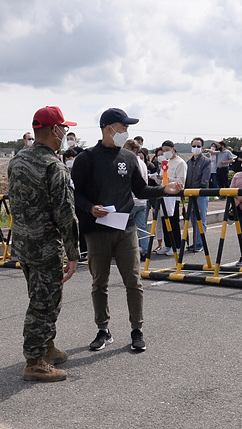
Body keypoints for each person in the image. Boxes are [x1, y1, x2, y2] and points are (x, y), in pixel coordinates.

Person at [72, 108, 182, 353]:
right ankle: (103, 330)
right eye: (123, 127)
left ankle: (137, 329)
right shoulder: (86, 158)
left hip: (126, 228)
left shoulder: (129, 158)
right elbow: (75, 193)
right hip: (97, 230)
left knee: (133, 281)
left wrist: (165, 190)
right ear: (108, 128)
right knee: (99, 282)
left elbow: (141, 191)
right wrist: (90, 208)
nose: (126, 132)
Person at [8, 105, 80, 382]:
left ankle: (47, 347)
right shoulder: (54, 166)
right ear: (54, 130)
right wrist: (73, 253)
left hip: (24, 244)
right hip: (45, 248)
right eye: (64, 128)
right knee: (43, 304)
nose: (66, 133)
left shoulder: (17, 160)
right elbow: (65, 213)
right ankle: (35, 361)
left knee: (43, 299)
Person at [153, 139, 187, 256]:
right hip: (164, 194)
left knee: (174, 221)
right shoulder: (165, 163)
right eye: (163, 151)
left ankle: (177, 245)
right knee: (164, 220)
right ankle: (168, 245)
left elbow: (181, 180)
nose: (165, 153)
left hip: (174, 195)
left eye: (167, 150)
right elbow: (162, 179)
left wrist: (166, 178)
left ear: (173, 149)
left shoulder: (180, 162)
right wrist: (157, 178)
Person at [185, 136, 212, 253]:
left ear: (203, 148)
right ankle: (195, 242)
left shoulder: (206, 161)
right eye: (194, 146)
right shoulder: (189, 162)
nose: (196, 148)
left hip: (201, 194)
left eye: (198, 146)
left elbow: (205, 180)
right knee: (192, 218)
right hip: (190, 194)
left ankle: (200, 243)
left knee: (201, 219)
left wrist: (198, 190)